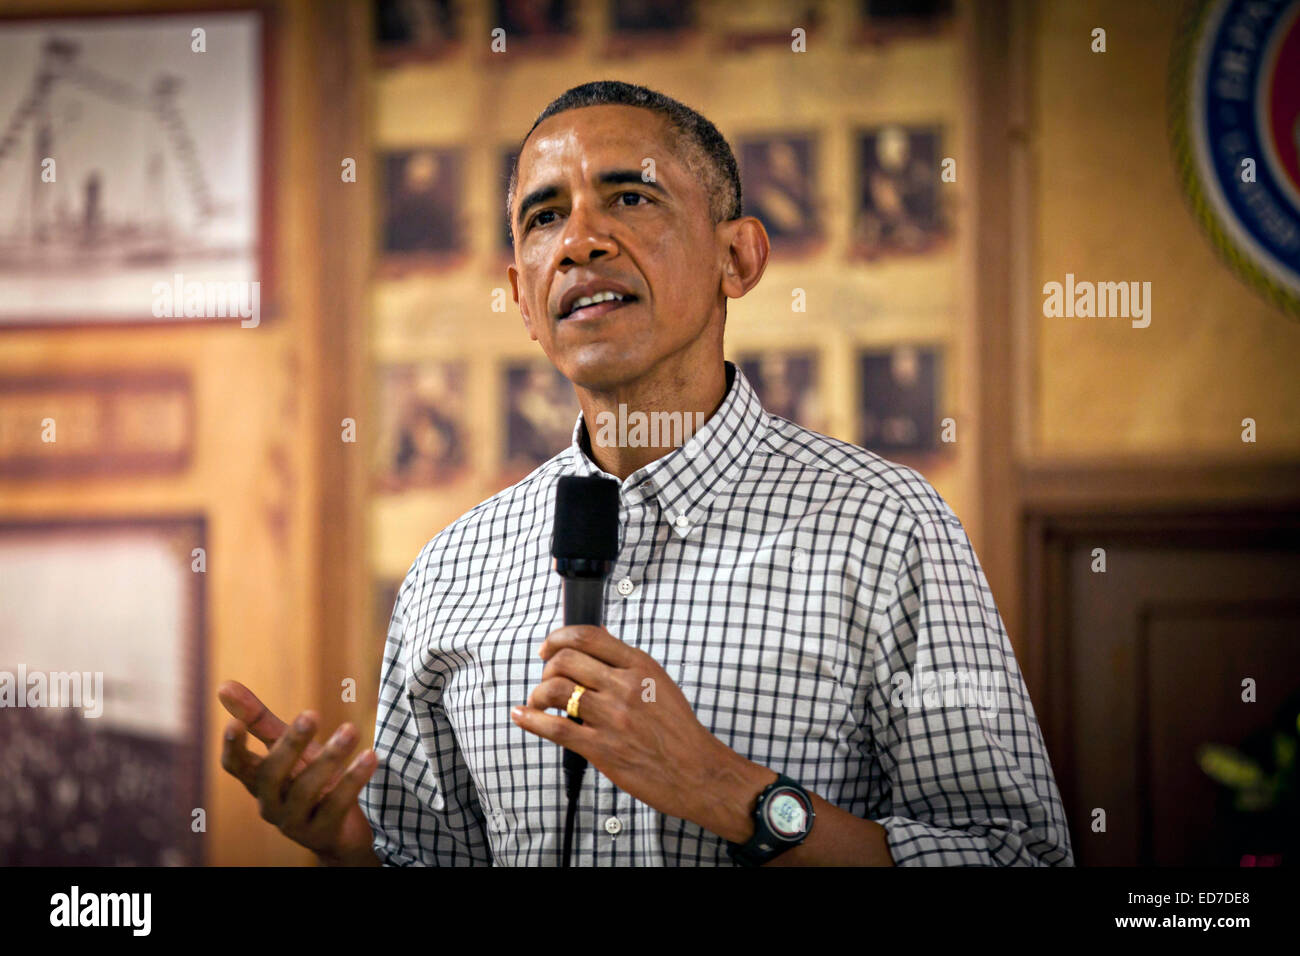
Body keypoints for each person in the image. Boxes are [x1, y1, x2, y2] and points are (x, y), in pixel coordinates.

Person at [218, 80, 1073, 867]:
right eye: (546, 217)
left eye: (631, 197)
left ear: (736, 259)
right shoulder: (449, 571)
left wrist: (723, 789)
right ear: (523, 297)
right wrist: (350, 846)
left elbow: (1017, 857)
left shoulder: (887, 527)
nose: (582, 241)